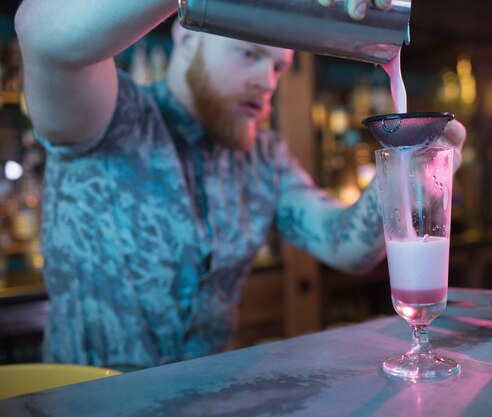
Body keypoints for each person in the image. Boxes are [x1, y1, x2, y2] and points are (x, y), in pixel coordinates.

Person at [14, 0, 466, 370]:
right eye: (249, 54)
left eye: (277, 69)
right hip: (86, 399)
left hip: (206, 400)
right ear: (187, 34)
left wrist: (407, 164)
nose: (264, 81)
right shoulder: (111, 117)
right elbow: (40, 34)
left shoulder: (263, 156)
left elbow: (344, 243)